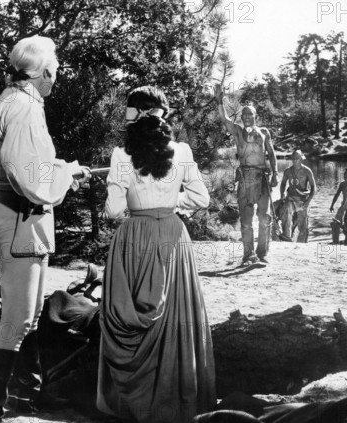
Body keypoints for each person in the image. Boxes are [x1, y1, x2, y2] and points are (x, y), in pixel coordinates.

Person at [0, 35, 90, 423]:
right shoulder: (25, 108)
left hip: (22, 216)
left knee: (30, 315)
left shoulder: (16, 100)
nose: (56, 78)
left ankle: (24, 398)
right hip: (22, 218)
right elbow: (28, 179)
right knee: (17, 321)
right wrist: (62, 176)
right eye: (55, 71)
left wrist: (65, 169)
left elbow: (24, 165)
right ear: (43, 71)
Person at [98, 86, 216, 423]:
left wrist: (119, 190)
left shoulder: (121, 156)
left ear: (133, 115)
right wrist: (170, 203)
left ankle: (134, 402)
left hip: (134, 237)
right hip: (172, 237)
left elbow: (113, 210)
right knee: (176, 318)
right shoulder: (182, 151)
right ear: (163, 114)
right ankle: (174, 398)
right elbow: (201, 198)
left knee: (131, 310)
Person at [214, 84, 278, 264]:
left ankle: (263, 252)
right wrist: (220, 101)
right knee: (246, 219)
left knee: (264, 218)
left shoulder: (264, 132)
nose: (248, 117)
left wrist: (275, 174)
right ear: (241, 117)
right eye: (245, 114)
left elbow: (272, 154)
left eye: (251, 114)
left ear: (255, 116)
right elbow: (224, 118)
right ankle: (248, 254)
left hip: (262, 178)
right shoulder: (238, 131)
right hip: (245, 178)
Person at [279, 150, 315, 243]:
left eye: (297, 159)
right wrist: (282, 194)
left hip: (303, 200)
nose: (295, 161)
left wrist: (308, 201)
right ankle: (286, 238)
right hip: (290, 198)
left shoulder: (307, 171)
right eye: (293, 159)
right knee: (286, 213)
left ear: (301, 159)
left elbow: (313, 187)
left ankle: (301, 244)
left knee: (303, 226)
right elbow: (283, 183)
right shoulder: (287, 171)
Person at [330, 166, 347, 244]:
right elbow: (337, 194)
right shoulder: (342, 184)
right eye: (345, 177)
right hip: (344, 205)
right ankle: (335, 241)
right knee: (336, 221)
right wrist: (332, 205)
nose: (346, 179)